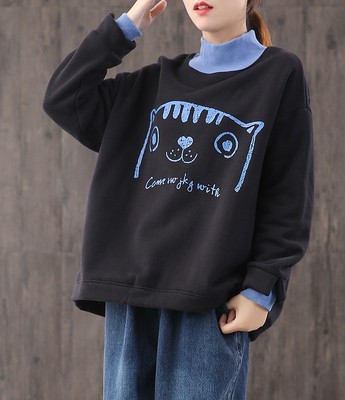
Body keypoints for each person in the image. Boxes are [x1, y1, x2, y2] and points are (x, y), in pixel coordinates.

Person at [42, 0, 314, 398]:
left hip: (207, 301)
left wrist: (262, 288)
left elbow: (288, 192)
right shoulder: (152, 84)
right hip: (130, 297)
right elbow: (64, 97)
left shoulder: (278, 74)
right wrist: (129, 24)